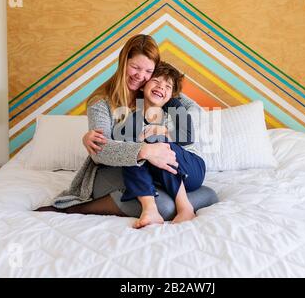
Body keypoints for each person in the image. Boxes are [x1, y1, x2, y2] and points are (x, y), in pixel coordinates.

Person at [36, 34, 217, 220]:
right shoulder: (101, 102)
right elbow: (100, 153)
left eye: (148, 71)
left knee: (208, 195)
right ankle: (75, 209)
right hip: (113, 169)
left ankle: (172, 203)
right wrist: (144, 150)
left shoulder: (156, 90)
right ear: (124, 62)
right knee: (164, 205)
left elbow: (195, 112)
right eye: (135, 67)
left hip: (153, 167)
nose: (141, 76)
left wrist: (168, 133)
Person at [115, 61, 205, 228]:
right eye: (156, 81)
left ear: (172, 95)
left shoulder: (174, 107)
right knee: (132, 149)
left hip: (191, 169)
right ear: (143, 86)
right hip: (160, 174)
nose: (161, 87)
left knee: (155, 141)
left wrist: (161, 131)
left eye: (168, 86)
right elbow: (119, 144)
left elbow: (188, 136)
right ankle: (150, 210)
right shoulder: (132, 116)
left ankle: (185, 208)